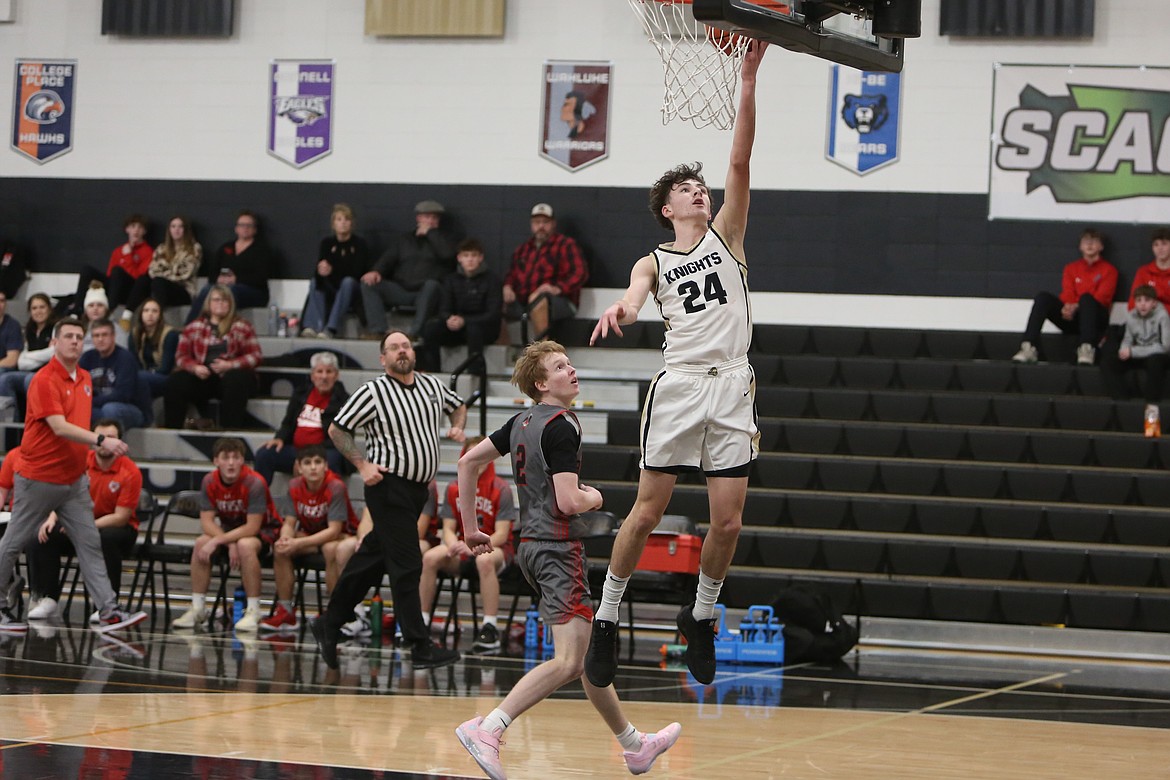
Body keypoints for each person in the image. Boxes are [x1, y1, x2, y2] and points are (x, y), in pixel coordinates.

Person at [586, 41, 768, 687]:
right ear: (669, 208)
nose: (703, 191)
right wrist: (624, 312)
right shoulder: (654, 260)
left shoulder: (730, 238)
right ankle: (607, 615)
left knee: (728, 520)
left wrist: (746, 79)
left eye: (703, 187)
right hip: (682, 385)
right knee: (646, 510)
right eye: (690, 190)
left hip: (732, 386)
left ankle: (701, 616)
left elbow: (740, 158)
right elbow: (635, 299)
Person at [454, 341, 681, 779]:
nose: (571, 370)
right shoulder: (561, 426)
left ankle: (635, 746)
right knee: (570, 661)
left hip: (531, 549)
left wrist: (470, 527)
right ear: (542, 383)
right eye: (560, 367)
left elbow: (466, 463)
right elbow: (568, 500)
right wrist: (594, 497)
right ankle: (490, 728)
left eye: (570, 363)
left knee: (583, 657)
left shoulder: (520, 422)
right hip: (558, 550)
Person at [309, 329, 467, 670]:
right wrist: (362, 464)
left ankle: (329, 622)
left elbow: (459, 406)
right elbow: (337, 430)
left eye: (406, 345)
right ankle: (418, 644)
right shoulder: (373, 392)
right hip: (387, 486)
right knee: (408, 564)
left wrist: (457, 427)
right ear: (383, 359)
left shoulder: (431, 386)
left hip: (416, 491)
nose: (401, 351)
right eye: (393, 348)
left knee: (372, 558)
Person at [0, 317, 147, 633]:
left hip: (74, 481)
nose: (75, 342)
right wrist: (100, 439)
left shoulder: (84, 377)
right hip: (38, 478)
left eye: (80, 337)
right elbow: (58, 426)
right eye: (68, 336)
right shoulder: (43, 379)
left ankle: (108, 610)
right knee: (13, 543)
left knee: (90, 542)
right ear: (54, 343)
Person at [25, 418, 142, 622]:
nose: (104, 442)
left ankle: (107, 605)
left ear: (120, 443)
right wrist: (52, 518)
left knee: (105, 539)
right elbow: (62, 494)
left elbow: (121, 517)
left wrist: (84, 528)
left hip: (116, 528)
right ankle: (48, 599)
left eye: (111, 437)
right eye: (100, 437)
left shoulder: (130, 471)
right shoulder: (80, 460)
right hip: (78, 522)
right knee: (42, 535)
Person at [170, 437, 282, 632]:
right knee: (200, 543)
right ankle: (198, 608)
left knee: (245, 545)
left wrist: (222, 540)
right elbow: (206, 521)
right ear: (216, 461)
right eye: (225, 457)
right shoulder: (209, 481)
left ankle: (254, 610)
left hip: (264, 532)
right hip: (230, 532)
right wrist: (228, 543)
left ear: (242, 461)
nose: (231, 463)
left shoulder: (255, 482)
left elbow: (252, 527)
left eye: (236, 457)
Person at [419, 436, 515, 653]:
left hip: (494, 548)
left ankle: (490, 627)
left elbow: (501, 534)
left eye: (481, 454)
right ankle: (421, 621)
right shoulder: (454, 488)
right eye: (471, 454)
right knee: (430, 557)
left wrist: (471, 545)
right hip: (464, 546)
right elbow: (449, 529)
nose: (476, 460)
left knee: (485, 560)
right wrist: (455, 544)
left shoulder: (501, 488)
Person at [261, 445, 357, 633]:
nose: (313, 467)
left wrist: (298, 543)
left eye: (317, 462)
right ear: (298, 467)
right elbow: (289, 522)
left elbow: (334, 530)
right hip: (312, 536)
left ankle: (334, 612)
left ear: (326, 466)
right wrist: (286, 539)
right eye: (307, 463)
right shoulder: (294, 486)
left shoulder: (335, 486)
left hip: (340, 536)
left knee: (330, 548)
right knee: (280, 549)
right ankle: (286, 612)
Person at [327, 479, 438, 640]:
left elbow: (419, 530)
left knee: (421, 549)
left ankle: (412, 619)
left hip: (406, 540)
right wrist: (364, 539)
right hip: (381, 537)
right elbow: (367, 520)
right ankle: (355, 615)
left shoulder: (424, 482)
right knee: (345, 548)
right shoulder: (378, 477)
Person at [1011, 228, 1117, 366]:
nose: (1089, 245)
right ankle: (1029, 347)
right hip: (1072, 317)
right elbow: (1067, 292)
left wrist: (1076, 306)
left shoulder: (1109, 270)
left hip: (1095, 319)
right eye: (1086, 241)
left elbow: (1102, 298)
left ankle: (1087, 349)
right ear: (1080, 246)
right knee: (1043, 298)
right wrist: (1068, 306)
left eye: (1094, 241)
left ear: (1101, 246)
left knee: (1086, 298)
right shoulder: (1071, 268)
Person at [164, 285, 262, 430]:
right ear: (208, 304)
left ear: (230, 304)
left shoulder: (243, 326)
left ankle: (230, 432)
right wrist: (195, 367)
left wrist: (230, 365)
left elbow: (256, 356)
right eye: (216, 300)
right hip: (204, 376)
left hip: (231, 377)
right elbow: (181, 356)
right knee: (176, 381)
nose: (220, 303)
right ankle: (173, 430)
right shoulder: (194, 327)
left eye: (224, 300)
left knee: (236, 379)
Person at [359, 200, 459, 341]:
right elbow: (388, 259)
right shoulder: (405, 240)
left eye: (434, 218)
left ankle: (414, 333)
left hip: (426, 292)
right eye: (427, 217)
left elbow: (448, 255)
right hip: (402, 288)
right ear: (418, 218)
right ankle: (378, 330)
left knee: (432, 285)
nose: (431, 221)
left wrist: (431, 234)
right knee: (368, 283)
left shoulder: (447, 239)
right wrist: (376, 271)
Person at [254, 351, 349, 484]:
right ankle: (259, 501)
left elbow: (342, 437)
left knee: (332, 460)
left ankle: (327, 502)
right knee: (264, 454)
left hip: (325, 452)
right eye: (319, 372)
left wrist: (307, 458)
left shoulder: (344, 400)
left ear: (336, 376)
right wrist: (279, 438)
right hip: (296, 450)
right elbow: (287, 423)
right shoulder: (300, 394)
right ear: (312, 376)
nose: (324, 377)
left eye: (329, 372)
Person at [503, 203, 589, 341]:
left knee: (538, 299)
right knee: (495, 300)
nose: (541, 226)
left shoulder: (565, 245)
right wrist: (507, 287)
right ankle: (506, 353)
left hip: (560, 301)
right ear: (531, 224)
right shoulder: (523, 249)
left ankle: (544, 350)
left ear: (553, 224)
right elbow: (511, 275)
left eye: (545, 222)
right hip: (523, 300)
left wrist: (557, 288)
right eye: (537, 222)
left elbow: (580, 273)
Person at [419, 239, 503, 373]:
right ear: (459, 258)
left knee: (473, 330)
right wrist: (449, 319)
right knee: (430, 329)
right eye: (466, 255)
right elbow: (444, 309)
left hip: (484, 329)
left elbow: (493, 314)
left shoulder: (492, 280)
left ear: (480, 258)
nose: (470, 260)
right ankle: (432, 372)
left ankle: (474, 375)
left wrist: (465, 321)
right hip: (457, 327)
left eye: (474, 256)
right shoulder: (450, 280)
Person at [1100, 284, 1170, 425]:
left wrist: (1133, 351)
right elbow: (1128, 339)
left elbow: (1165, 346)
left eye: (1147, 300)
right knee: (1108, 362)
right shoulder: (1131, 316)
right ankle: (1123, 402)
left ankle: (1151, 405)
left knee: (1155, 362)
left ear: (1154, 303)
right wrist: (1124, 349)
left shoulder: (1163, 316)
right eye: (1139, 300)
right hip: (1138, 353)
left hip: (1157, 354)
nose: (1142, 304)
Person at [187, 210, 273, 323]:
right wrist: (218, 279)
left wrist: (236, 279)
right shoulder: (226, 248)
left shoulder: (262, 250)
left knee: (229, 291)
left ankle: (221, 326)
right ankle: (191, 326)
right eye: (242, 225)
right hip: (224, 286)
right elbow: (212, 272)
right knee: (207, 289)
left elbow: (260, 277)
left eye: (249, 225)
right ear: (236, 228)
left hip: (253, 292)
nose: (245, 228)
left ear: (255, 229)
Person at [301, 203, 370, 339]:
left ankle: (331, 328)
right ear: (333, 224)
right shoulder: (326, 243)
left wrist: (333, 270)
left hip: (351, 289)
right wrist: (321, 271)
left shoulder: (359, 244)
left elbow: (356, 272)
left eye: (346, 219)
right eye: (339, 220)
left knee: (347, 282)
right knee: (315, 282)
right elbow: (322, 267)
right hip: (331, 285)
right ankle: (313, 326)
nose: (343, 223)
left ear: (352, 223)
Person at [70, 214, 153, 318]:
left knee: (118, 271)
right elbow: (110, 275)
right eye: (133, 226)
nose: (136, 230)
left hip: (130, 290)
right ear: (127, 229)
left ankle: (109, 310)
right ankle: (77, 310)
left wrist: (128, 257)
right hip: (114, 287)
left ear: (144, 231)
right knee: (87, 270)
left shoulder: (148, 252)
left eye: (140, 227)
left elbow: (138, 277)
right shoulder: (118, 251)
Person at [80, 318, 153, 431]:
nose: (100, 339)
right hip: (99, 406)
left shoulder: (125, 358)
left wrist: (90, 402)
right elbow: (79, 388)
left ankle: (114, 447)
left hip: (131, 409)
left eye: (104, 335)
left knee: (110, 409)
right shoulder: (87, 358)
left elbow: (122, 395)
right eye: (96, 335)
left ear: (113, 336)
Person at [0, 292, 54, 415]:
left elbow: (54, 354)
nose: (38, 311)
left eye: (42, 307)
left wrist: (29, 356)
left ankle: (32, 425)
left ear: (49, 309)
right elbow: (22, 362)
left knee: (30, 379)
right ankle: (11, 428)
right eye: (34, 308)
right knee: (4, 380)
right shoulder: (30, 329)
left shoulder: (56, 327)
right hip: (29, 371)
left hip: (48, 372)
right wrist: (42, 355)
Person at [130, 297, 180, 398]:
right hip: (143, 376)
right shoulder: (135, 334)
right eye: (146, 310)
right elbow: (134, 362)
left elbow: (166, 368)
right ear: (141, 314)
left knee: (140, 378)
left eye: (155, 311)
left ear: (160, 315)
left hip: (166, 376)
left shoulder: (170, 334)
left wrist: (146, 373)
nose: (150, 314)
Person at [149, 215, 202, 310]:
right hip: (163, 288)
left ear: (185, 230)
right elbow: (152, 270)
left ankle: (158, 315)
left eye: (180, 226)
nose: (176, 230)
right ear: (169, 229)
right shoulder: (161, 248)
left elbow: (185, 274)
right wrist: (172, 271)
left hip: (184, 290)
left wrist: (165, 272)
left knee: (159, 282)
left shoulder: (194, 248)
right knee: (145, 281)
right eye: (173, 226)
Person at [1127, 227, 1170, 309]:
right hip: (1146, 318)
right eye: (1156, 244)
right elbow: (1133, 302)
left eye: (1164, 244)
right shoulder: (1143, 272)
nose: (1160, 248)